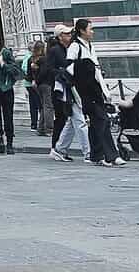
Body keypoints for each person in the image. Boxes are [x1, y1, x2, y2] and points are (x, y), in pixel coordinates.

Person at [68, 18, 124, 167]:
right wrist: (85, 71)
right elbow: (68, 68)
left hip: (96, 88)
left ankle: (95, 155)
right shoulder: (75, 47)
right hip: (86, 90)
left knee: (95, 123)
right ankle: (112, 155)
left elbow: (97, 70)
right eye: (90, 29)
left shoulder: (90, 46)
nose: (92, 32)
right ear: (82, 30)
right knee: (102, 120)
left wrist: (105, 90)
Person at [47, 23, 90, 163]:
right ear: (60, 37)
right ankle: (87, 152)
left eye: (70, 33)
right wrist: (63, 73)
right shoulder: (55, 50)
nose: (70, 35)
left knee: (70, 120)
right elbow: (48, 70)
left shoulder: (72, 48)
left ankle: (59, 149)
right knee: (68, 119)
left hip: (73, 87)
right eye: (66, 34)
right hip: (61, 90)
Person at [23, 42, 44, 131]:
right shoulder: (30, 57)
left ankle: (34, 124)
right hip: (32, 83)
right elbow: (25, 69)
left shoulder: (28, 57)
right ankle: (39, 124)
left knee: (33, 104)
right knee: (38, 104)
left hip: (29, 83)